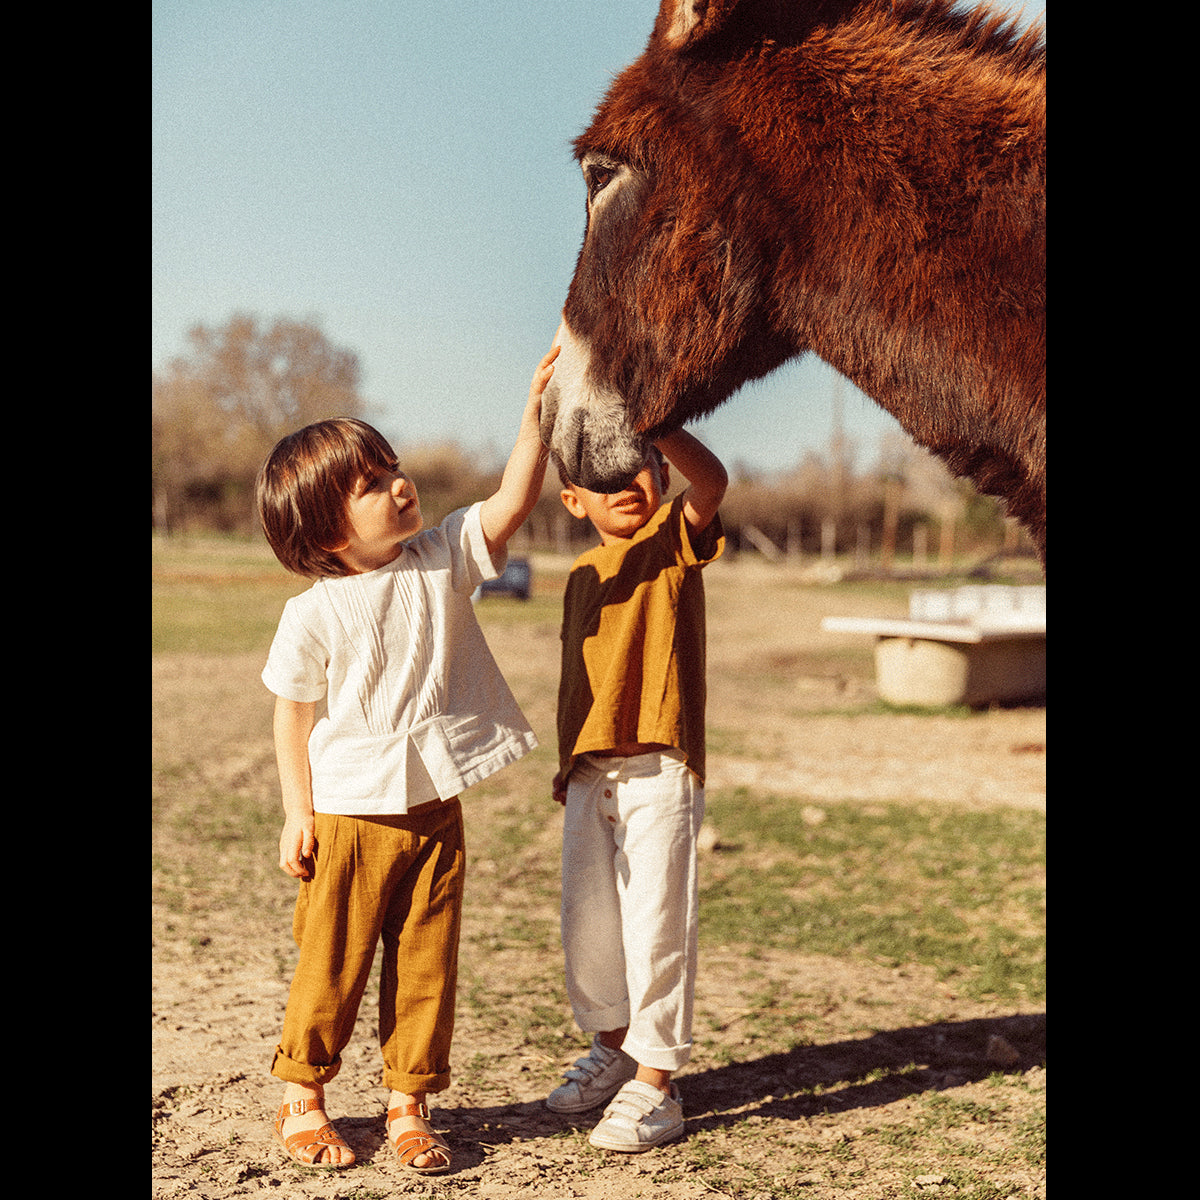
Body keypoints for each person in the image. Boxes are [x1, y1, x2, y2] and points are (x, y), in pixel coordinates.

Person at [255, 345, 558, 1174]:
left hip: (434, 807)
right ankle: (304, 1098)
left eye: (392, 466)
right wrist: (297, 810)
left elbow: (511, 502)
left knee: (427, 963)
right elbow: (294, 713)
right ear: (325, 529)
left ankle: (408, 1105)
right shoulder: (312, 612)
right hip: (350, 816)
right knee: (333, 965)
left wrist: (534, 414)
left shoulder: (442, 557)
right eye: (370, 482)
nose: (399, 484)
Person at [547, 427, 727, 1152]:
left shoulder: (674, 542)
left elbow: (710, 482)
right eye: (605, 477)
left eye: (642, 467)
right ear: (571, 499)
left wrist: (661, 425)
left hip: (660, 768)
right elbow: (576, 681)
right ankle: (614, 1050)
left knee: (656, 927)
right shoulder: (579, 573)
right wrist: (568, 765)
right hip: (591, 772)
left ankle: (656, 1084)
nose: (628, 483)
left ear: (660, 473)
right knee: (590, 932)